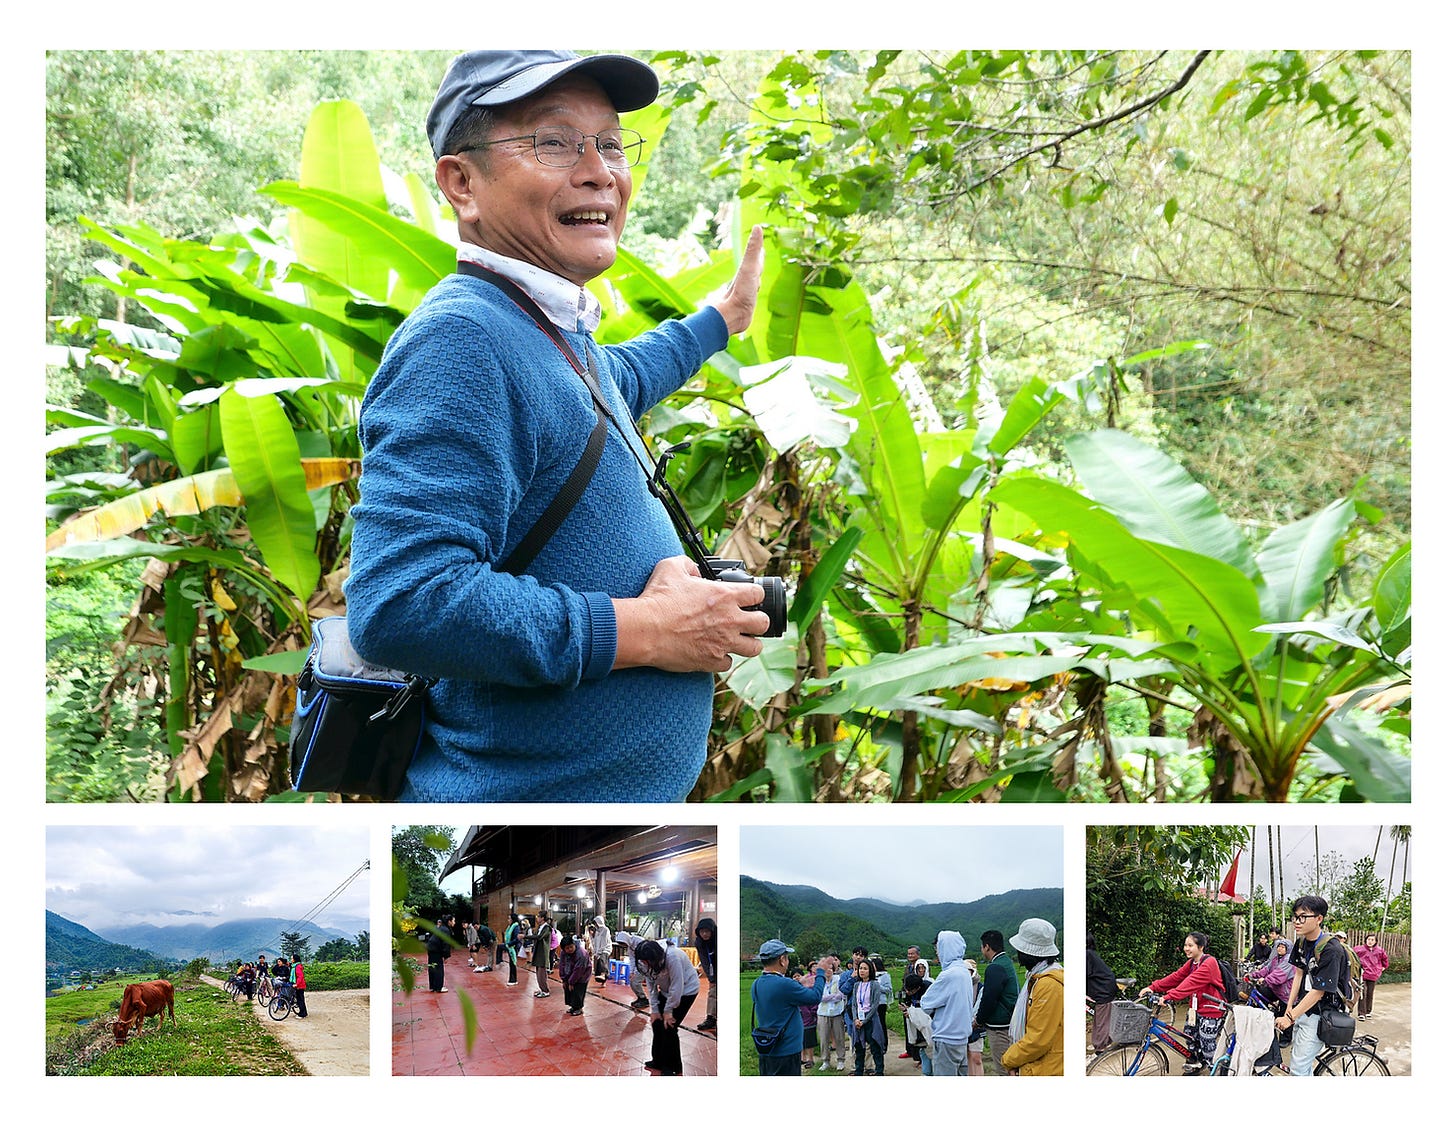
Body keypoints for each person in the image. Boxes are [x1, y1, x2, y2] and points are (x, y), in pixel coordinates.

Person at [345, 48, 771, 803]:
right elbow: (401, 602)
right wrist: (650, 629)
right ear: (462, 183)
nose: (599, 169)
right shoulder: (463, 339)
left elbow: (621, 380)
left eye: (610, 143)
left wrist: (718, 322)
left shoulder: (547, 330)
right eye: (554, 141)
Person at [1275, 895, 1353, 1076]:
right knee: (1302, 1062)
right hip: (1303, 1008)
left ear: (1319, 918)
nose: (1297, 921)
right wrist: (1289, 1009)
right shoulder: (1301, 942)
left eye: (1303, 916)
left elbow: (1318, 992)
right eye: (1295, 916)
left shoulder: (1331, 949)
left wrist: (1290, 1016)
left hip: (1321, 1014)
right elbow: (1299, 974)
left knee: (1298, 1069)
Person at [1139, 931, 1227, 1074]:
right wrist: (1152, 987)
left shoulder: (1209, 962)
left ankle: (1217, 1071)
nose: (1186, 948)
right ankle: (1196, 1063)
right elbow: (1177, 977)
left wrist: (1168, 996)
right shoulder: (1192, 962)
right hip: (1195, 1008)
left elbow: (1190, 983)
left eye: (1190, 945)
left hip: (1212, 1009)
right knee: (1190, 1037)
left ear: (1201, 947)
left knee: (1207, 1044)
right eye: (1185, 945)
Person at [751, 940, 834, 1076]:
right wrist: (820, 973)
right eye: (787, 957)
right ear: (782, 960)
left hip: (766, 1047)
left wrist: (798, 984)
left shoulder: (757, 983)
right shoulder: (785, 984)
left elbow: (779, 999)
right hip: (787, 1050)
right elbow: (815, 997)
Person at [1000, 918, 1063, 1075]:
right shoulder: (1037, 979)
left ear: (1028, 953)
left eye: (1019, 951)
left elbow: (1038, 1040)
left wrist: (1008, 1060)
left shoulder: (1047, 985)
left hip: (1047, 1069)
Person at [634, 939, 700, 1075]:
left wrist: (669, 1011)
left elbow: (677, 986)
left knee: (669, 1027)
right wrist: (655, 1009)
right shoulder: (646, 959)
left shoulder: (673, 957)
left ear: (656, 957)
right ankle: (658, 1061)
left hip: (686, 991)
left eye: (648, 962)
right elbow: (651, 984)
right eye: (644, 962)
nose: (645, 964)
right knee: (657, 1023)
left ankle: (673, 1067)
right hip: (666, 990)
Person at [919, 930, 975, 1076]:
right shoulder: (964, 971)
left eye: (938, 948)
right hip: (962, 1037)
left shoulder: (949, 975)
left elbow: (925, 1003)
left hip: (946, 1037)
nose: (937, 952)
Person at [974, 930, 1020, 1075]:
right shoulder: (1006, 962)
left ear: (987, 947)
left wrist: (979, 1020)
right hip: (1010, 1022)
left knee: (1005, 1069)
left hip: (1000, 1028)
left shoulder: (995, 967)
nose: (982, 950)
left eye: (982, 947)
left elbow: (989, 998)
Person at [848, 957, 887, 1075]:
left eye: (865, 968)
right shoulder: (856, 985)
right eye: (860, 968)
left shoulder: (874, 984)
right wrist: (855, 1019)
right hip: (858, 1019)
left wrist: (864, 1021)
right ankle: (859, 1071)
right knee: (859, 1047)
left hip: (870, 1019)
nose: (862, 971)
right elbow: (854, 1004)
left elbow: (875, 1005)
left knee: (875, 1047)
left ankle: (879, 1071)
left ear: (870, 970)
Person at [899, 957, 933, 1074]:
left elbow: (930, 1011)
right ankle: (926, 1071)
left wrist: (912, 1012)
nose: (908, 993)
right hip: (915, 1024)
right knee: (923, 1050)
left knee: (931, 1050)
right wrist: (906, 1009)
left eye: (910, 991)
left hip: (929, 1025)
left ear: (918, 988)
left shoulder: (929, 988)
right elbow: (908, 1004)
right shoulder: (910, 984)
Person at [1086, 933, 1117, 1053]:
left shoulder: (1086, 954)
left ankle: (1101, 1048)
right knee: (1101, 1018)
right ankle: (1101, 1043)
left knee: (1101, 1020)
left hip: (1103, 989)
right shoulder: (1089, 953)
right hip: (1102, 987)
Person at [815, 952, 847, 1071]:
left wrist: (829, 997)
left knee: (839, 1037)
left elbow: (841, 995)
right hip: (822, 1013)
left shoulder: (838, 979)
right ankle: (825, 1061)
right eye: (826, 969)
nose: (828, 971)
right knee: (824, 1038)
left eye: (831, 968)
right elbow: (819, 997)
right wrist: (832, 996)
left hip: (837, 1012)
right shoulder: (818, 981)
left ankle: (840, 1060)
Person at [1249, 938, 1294, 1009]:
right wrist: (1252, 975)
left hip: (1286, 993)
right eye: (1279, 946)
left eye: (1283, 947)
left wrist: (1265, 980)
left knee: (1281, 1017)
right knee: (1260, 993)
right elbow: (1266, 969)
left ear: (1288, 949)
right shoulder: (1276, 959)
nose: (1280, 949)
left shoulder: (1289, 960)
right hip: (1276, 990)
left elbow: (1278, 975)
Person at [1355, 933, 1390, 1020]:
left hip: (1373, 975)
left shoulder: (1379, 951)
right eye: (1368, 939)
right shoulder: (1359, 949)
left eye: (1372, 940)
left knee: (1370, 994)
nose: (1370, 941)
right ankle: (1361, 1013)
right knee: (1363, 993)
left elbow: (1385, 960)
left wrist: (1382, 967)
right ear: (1366, 940)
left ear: (1375, 941)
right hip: (1362, 974)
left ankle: (1368, 1011)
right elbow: (1352, 957)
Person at [615, 930, 651, 1010]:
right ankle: (641, 998)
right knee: (632, 982)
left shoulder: (639, 941)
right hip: (640, 966)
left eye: (623, 943)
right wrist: (631, 972)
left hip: (646, 965)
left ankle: (644, 999)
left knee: (635, 982)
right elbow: (632, 959)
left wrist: (637, 971)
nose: (623, 946)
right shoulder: (630, 947)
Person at [558, 933, 593, 1015]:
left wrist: (571, 982)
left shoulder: (581, 954)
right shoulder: (563, 953)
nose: (570, 949)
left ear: (574, 944)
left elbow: (579, 970)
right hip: (570, 972)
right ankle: (573, 1006)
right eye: (567, 948)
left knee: (578, 990)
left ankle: (579, 1008)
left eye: (571, 946)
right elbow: (562, 965)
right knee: (568, 990)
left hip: (583, 974)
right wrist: (564, 979)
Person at [693, 916, 717, 1031]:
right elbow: (704, 960)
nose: (705, 934)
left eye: (707, 931)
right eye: (702, 932)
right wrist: (711, 978)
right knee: (712, 992)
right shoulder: (699, 941)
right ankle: (711, 1018)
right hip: (712, 966)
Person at [897, 945, 921, 1060]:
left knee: (916, 1026)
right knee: (907, 1024)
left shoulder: (921, 966)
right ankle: (909, 1050)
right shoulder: (908, 967)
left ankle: (918, 1054)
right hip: (907, 997)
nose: (910, 956)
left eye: (912, 953)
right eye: (908, 954)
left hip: (917, 998)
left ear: (918, 954)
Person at [797, 969, 820, 1070]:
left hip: (809, 1020)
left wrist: (812, 1014)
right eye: (794, 976)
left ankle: (810, 1059)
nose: (797, 978)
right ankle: (802, 1058)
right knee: (800, 1040)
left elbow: (814, 1003)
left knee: (809, 1040)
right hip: (798, 1021)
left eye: (798, 975)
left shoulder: (809, 989)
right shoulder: (794, 991)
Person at [426, 916, 454, 994]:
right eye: (453, 921)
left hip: (431, 948)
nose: (454, 922)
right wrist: (446, 956)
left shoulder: (441, 928)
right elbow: (446, 943)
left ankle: (433, 986)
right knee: (438, 968)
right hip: (435, 950)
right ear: (449, 921)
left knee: (432, 967)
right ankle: (438, 987)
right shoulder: (445, 930)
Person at [532, 912, 554, 997]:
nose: (537, 918)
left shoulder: (547, 928)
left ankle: (545, 990)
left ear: (542, 918)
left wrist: (525, 936)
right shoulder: (540, 927)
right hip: (538, 951)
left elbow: (539, 937)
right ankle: (541, 989)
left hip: (543, 953)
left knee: (542, 973)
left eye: (538, 917)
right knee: (538, 972)